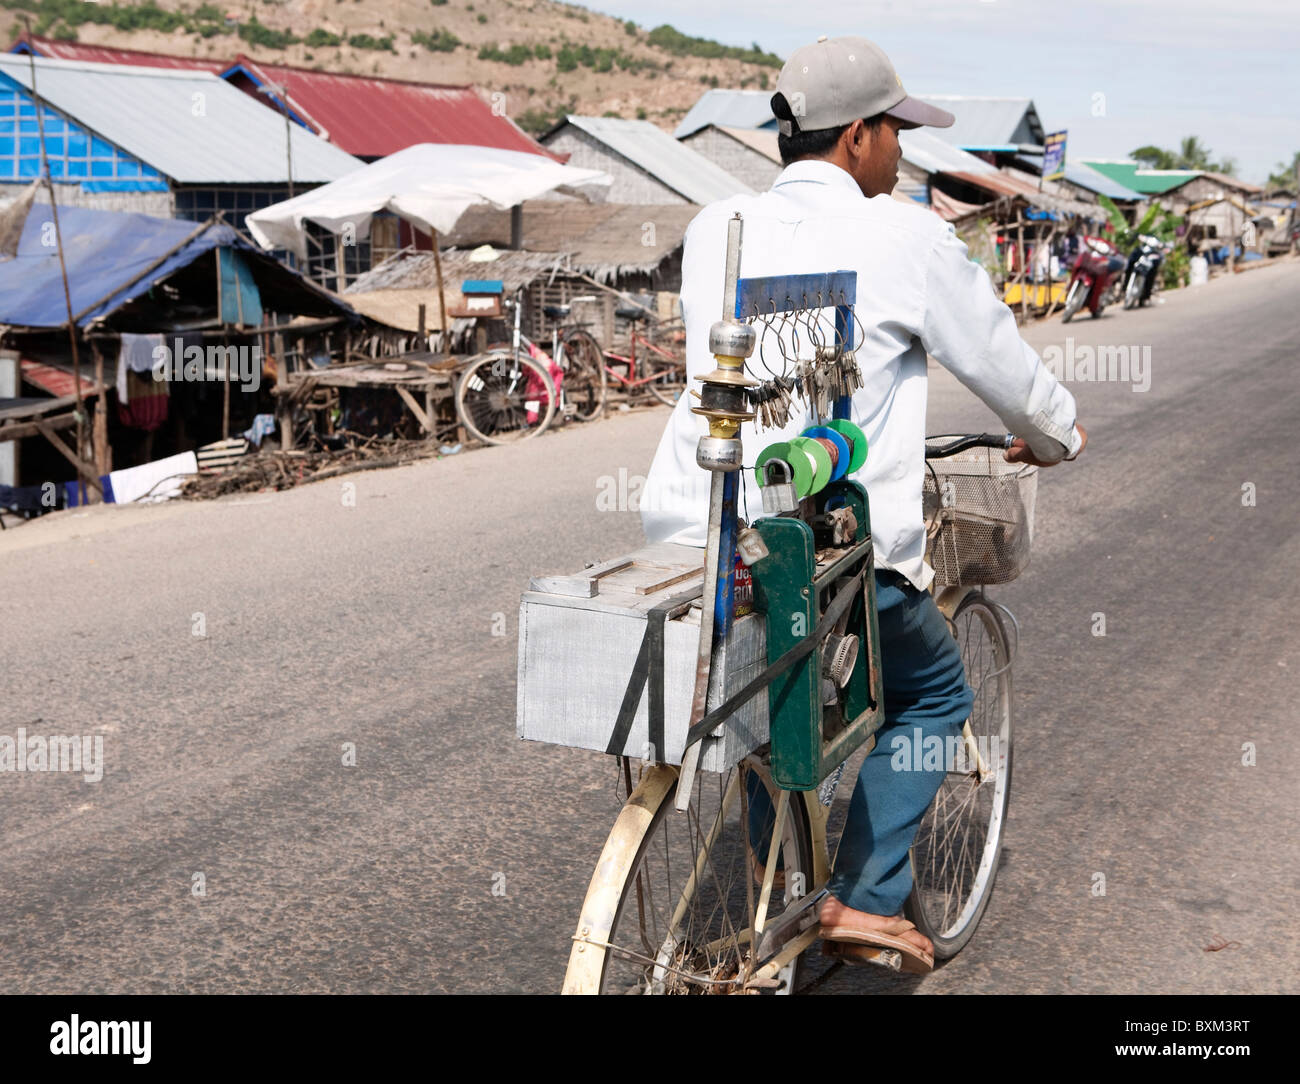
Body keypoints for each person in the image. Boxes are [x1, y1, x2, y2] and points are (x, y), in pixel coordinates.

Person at [640, 35, 1087, 974]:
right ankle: (859, 897)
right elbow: (1006, 366)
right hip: (823, 548)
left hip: (702, 541)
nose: (902, 153)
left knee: (763, 699)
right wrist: (1054, 435)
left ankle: (776, 861)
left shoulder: (717, 227)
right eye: (895, 132)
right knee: (932, 696)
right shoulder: (908, 236)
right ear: (857, 138)